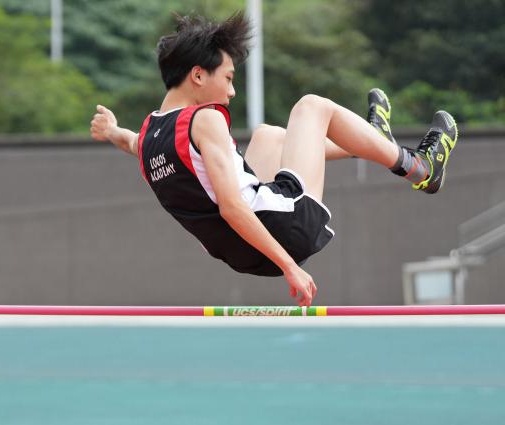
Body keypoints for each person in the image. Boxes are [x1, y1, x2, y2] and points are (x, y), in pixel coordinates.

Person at [90, 12, 458, 307]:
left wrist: (111, 131)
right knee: (312, 107)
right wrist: (289, 269)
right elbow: (232, 208)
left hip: (241, 252)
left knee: (269, 136)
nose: (232, 92)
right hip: (283, 229)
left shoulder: (153, 134)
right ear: (198, 75)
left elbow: (131, 143)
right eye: (229, 79)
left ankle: (369, 141)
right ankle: (418, 167)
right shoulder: (205, 120)